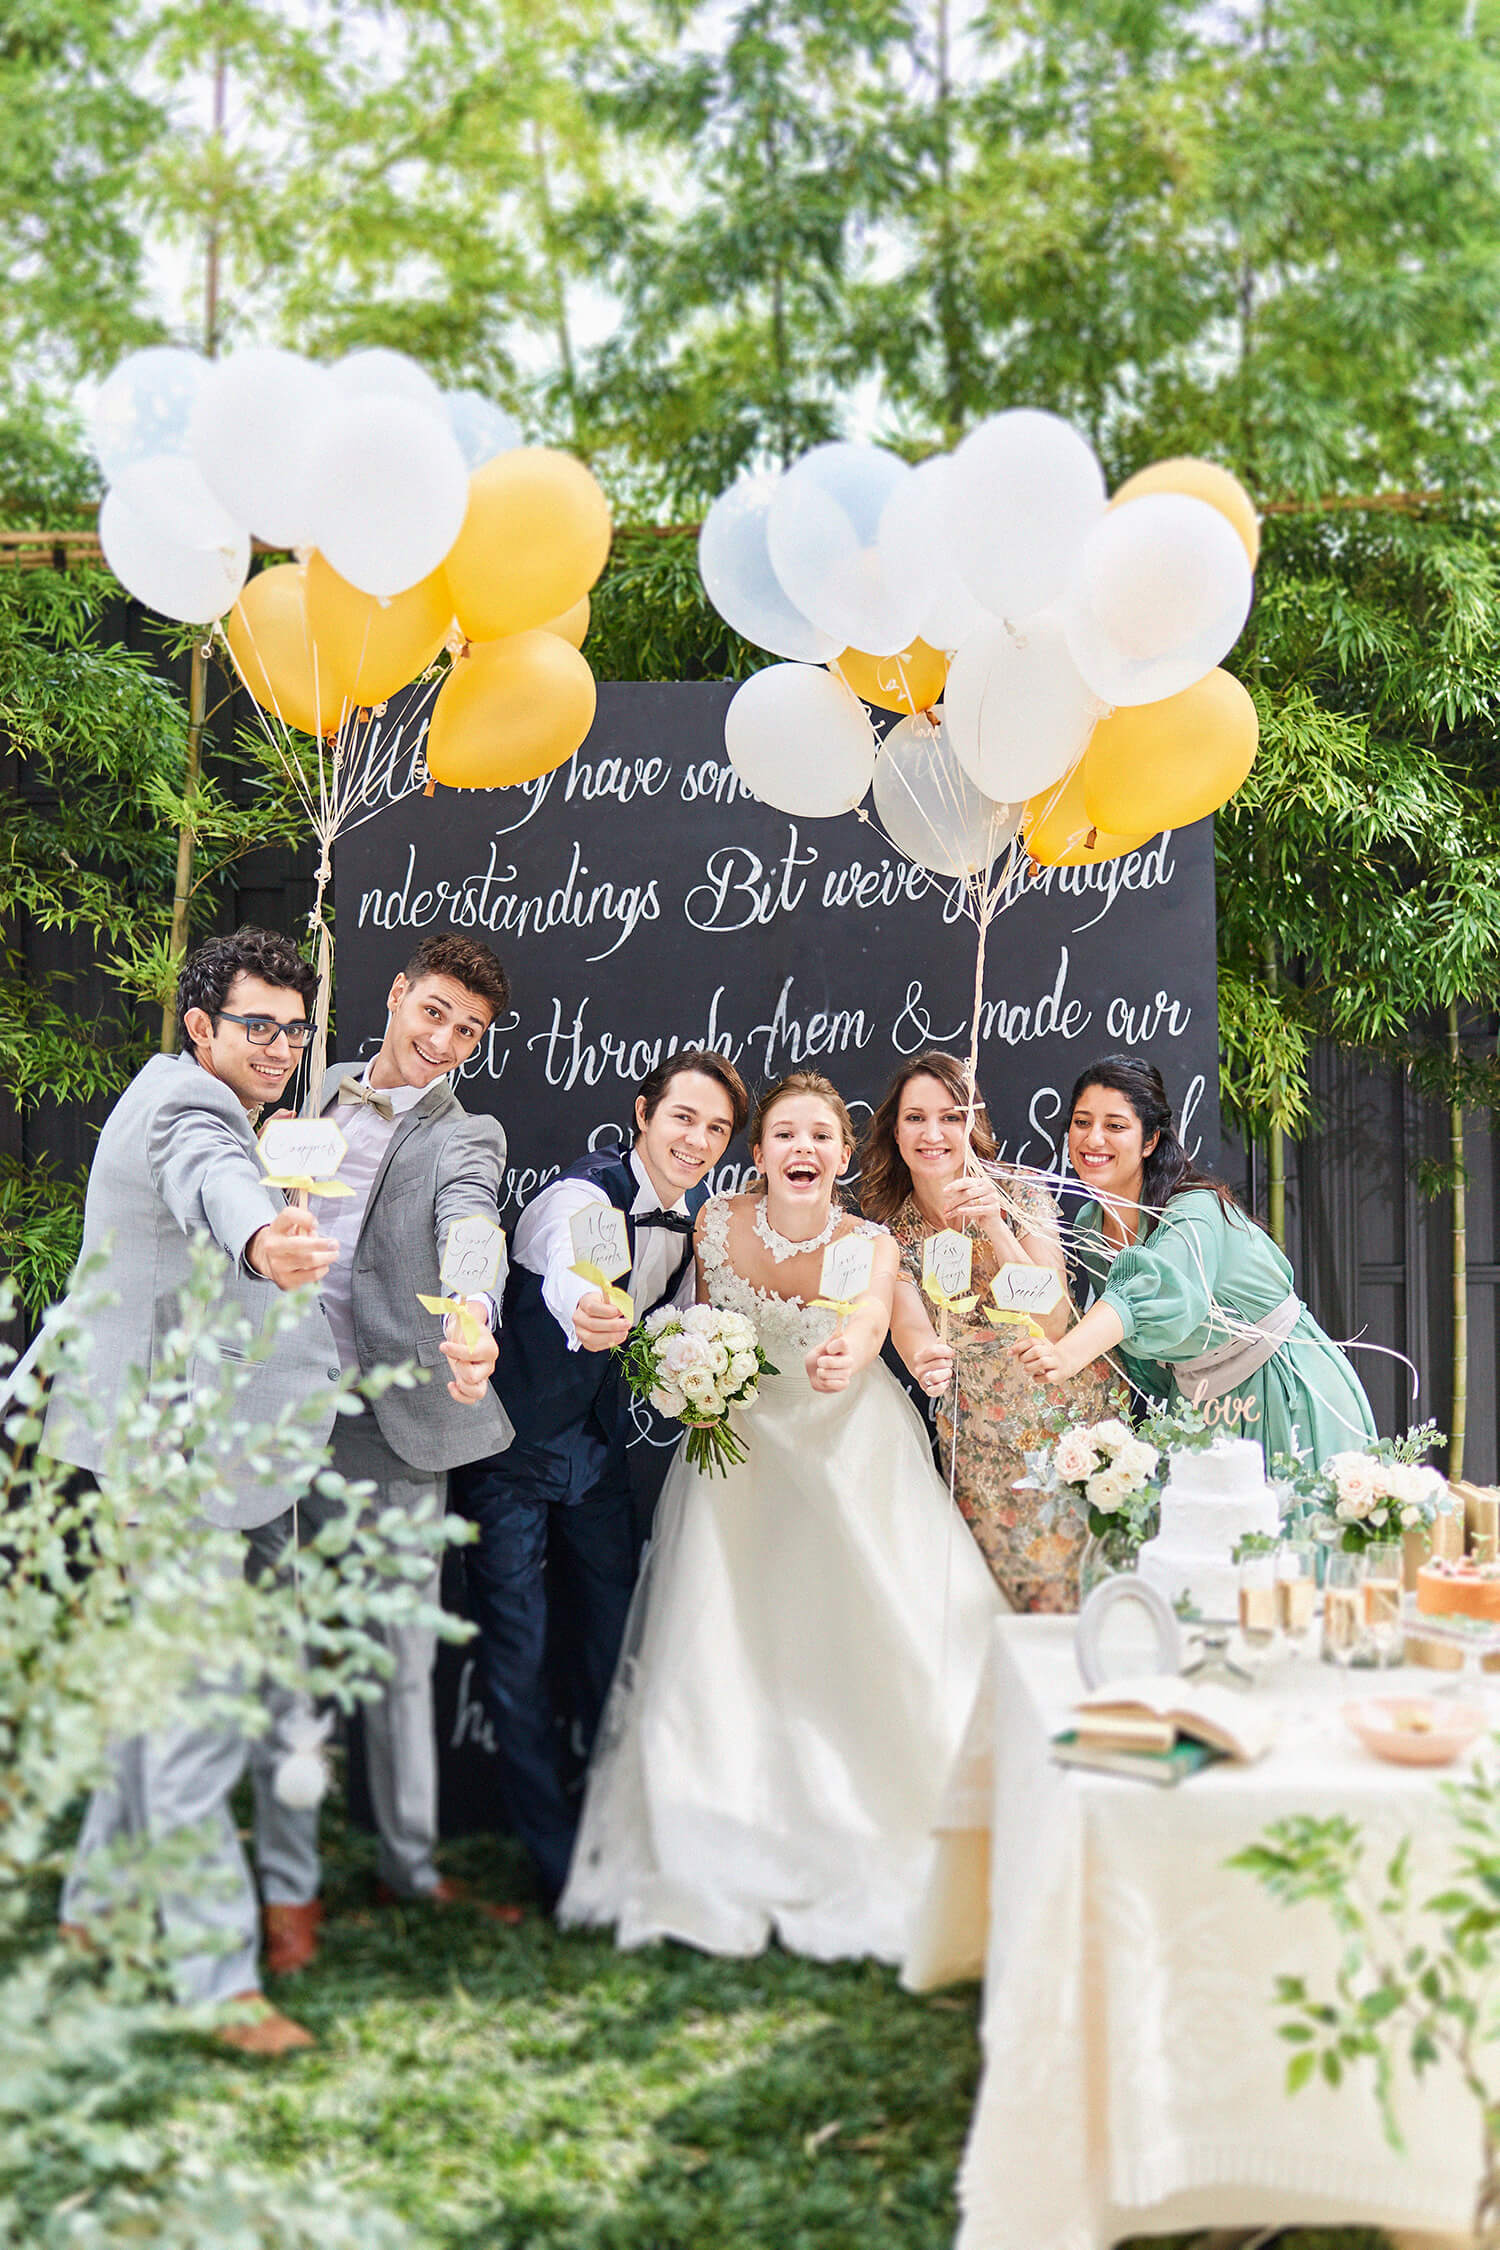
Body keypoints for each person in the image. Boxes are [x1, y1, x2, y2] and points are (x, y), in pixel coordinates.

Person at [558, 1069, 1001, 1964]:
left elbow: (875, 1319)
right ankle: (717, 1819)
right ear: (758, 1153)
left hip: (848, 1450)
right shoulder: (714, 1224)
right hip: (740, 1454)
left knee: (862, 1631)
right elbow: (691, 1317)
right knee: (726, 1637)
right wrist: (686, 1372)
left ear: (843, 1156)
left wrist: (859, 1353)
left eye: (822, 1137)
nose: (805, 1148)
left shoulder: (870, 1241)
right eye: (786, 1134)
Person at [45, 926, 341, 2056]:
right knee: (199, 1720)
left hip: (202, 1455)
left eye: (293, 1030)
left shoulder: (187, 1092)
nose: (279, 1047)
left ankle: (92, 1909)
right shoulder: (188, 1108)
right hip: (180, 1466)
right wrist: (265, 1239)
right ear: (202, 1026)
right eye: (256, 1025)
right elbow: (212, 1178)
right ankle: (217, 1984)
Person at [454, 1049, 749, 1910]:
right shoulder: (578, 1197)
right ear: (643, 1113)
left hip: (598, 1457)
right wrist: (584, 1306)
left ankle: (617, 1829)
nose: (697, 1140)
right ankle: (559, 1868)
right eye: (683, 1118)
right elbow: (564, 1273)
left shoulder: (693, 1224)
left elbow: (679, 1324)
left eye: (716, 1129)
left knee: (616, 1640)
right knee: (518, 1651)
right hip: (508, 1454)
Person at [274, 931, 514, 1949]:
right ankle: (289, 1892)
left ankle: (408, 1870)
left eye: (469, 1031)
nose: (446, 1040)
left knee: (402, 1661)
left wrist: (473, 1312)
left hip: (391, 1426)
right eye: (435, 1013)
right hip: (283, 1414)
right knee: (292, 1661)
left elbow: (472, 1225)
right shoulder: (314, 1093)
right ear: (397, 996)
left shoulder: (468, 1135)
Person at [861, 1051, 1125, 1611]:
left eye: (950, 1117)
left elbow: (1052, 1317)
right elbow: (909, 1326)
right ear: (896, 1130)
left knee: (1090, 1596)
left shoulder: (1020, 1192)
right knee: (1008, 1609)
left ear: (972, 1124)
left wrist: (994, 1225)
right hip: (978, 1448)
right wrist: (924, 1359)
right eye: (915, 1118)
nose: (933, 1133)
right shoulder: (892, 1231)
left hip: (1069, 1423)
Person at [1013, 1054, 1378, 1459]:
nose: (1093, 1139)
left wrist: (1065, 1355)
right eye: (1082, 1122)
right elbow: (1136, 1345)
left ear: (1149, 1140)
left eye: (1115, 1126)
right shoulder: (1090, 1223)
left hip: (1281, 1387)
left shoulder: (1194, 1209)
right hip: (1200, 1404)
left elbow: (1150, 1289)